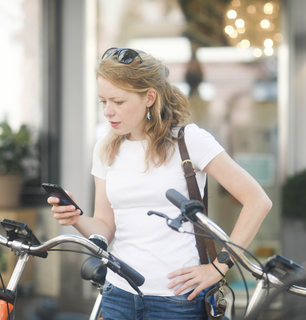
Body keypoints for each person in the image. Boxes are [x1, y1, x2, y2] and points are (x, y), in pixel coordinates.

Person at [48, 47, 272, 320]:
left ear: (149, 98)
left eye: (118, 102)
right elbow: (105, 227)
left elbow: (258, 201)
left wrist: (219, 266)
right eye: (102, 101)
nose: (108, 111)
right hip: (118, 294)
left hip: (177, 301)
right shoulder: (105, 148)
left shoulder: (189, 140)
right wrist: (76, 218)